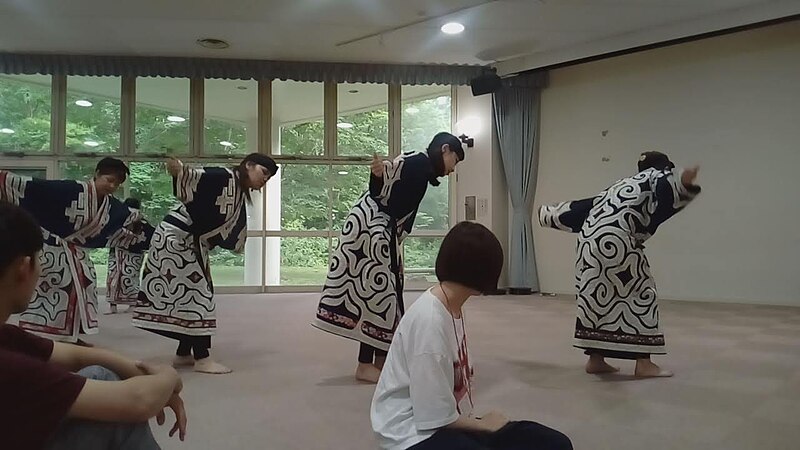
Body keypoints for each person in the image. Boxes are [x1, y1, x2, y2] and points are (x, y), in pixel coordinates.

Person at [0, 200, 187, 450]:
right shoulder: (10, 367)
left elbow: (77, 354)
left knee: (101, 374)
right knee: (114, 418)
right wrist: (168, 376)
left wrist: (139, 371)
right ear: (24, 268)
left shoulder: (7, 338)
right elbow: (139, 401)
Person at [371, 221, 573, 450]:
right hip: (413, 435)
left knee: (554, 444)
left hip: (447, 424)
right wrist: (486, 426)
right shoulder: (429, 322)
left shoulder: (452, 305)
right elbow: (433, 416)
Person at [313, 132, 465, 383]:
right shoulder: (418, 164)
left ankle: (381, 360)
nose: (452, 170)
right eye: (455, 161)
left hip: (373, 231)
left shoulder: (419, 164)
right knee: (381, 296)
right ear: (445, 150)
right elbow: (387, 192)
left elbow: (388, 183)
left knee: (382, 296)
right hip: (372, 233)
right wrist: (378, 175)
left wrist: (379, 175)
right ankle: (366, 365)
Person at [538, 151, 701, 377]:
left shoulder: (622, 185)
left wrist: (546, 214)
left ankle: (596, 359)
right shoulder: (656, 175)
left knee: (597, 297)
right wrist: (683, 180)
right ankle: (644, 364)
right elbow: (667, 186)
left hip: (588, 243)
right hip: (617, 240)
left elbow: (584, 207)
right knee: (640, 293)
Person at [133, 153, 279, 375]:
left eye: (268, 178)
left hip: (189, 242)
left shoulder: (238, 188)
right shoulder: (224, 175)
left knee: (193, 296)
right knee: (198, 296)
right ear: (248, 165)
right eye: (263, 173)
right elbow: (196, 176)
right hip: (177, 238)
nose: (264, 180)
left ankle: (183, 353)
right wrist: (180, 170)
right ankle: (202, 358)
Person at [0, 157, 145, 345]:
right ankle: (42, 338)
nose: (112, 186)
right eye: (109, 180)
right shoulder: (69, 189)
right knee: (54, 292)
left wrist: (141, 227)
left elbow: (127, 219)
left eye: (116, 184)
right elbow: (33, 187)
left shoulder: (110, 205)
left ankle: (71, 335)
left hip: (77, 254)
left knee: (85, 289)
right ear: (97, 174)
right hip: (53, 252)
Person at [106, 198, 156, 314]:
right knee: (128, 278)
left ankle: (115, 306)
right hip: (127, 252)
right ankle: (129, 305)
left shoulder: (122, 218)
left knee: (115, 277)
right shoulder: (141, 221)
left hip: (128, 252)